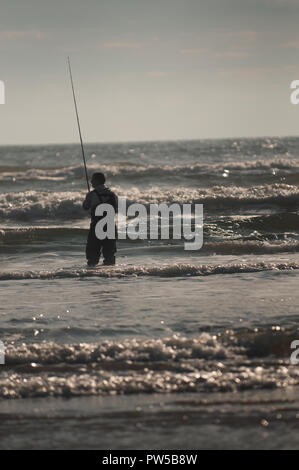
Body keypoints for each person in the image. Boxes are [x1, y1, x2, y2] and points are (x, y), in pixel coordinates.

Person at [83, 172, 118, 267]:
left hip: (97, 225)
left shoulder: (92, 194)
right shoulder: (112, 194)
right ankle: (109, 275)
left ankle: (92, 274)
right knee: (110, 256)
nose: (91, 181)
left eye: (93, 180)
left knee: (92, 255)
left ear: (97, 181)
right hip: (110, 225)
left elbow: (85, 206)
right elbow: (116, 209)